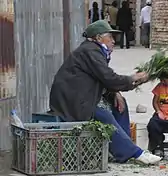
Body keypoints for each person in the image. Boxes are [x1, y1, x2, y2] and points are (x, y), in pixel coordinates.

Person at [49, 20, 161, 165]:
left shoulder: (94, 50)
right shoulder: (90, 50)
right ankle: (135, 153)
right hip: (72, 102)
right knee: (103, 115)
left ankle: (124, 148)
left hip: (83, 97)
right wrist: (132, 78)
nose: (113, 41)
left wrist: (116, 92)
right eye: (110, 37)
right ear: (98, 37)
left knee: (120, 104)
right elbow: (108, 77)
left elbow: (102, 79)